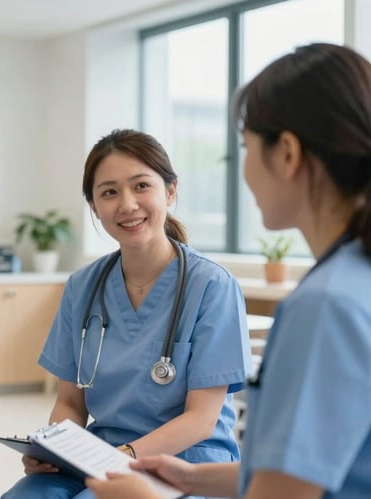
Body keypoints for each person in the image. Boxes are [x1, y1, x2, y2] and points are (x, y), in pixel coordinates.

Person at [85, 42, 371, 499]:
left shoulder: (324, 307)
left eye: (246, 147)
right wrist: (192, 478)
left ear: (288, 154)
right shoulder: (356, 279)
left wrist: (143, 498)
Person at [2, 129, 251, 499]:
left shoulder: (211, 286)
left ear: (170, 192)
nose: (127, 204)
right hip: (98, 454)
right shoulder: (82, 286)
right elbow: (70, 402)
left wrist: (127, 456)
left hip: (186, 461)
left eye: (141, 186)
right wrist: (55, 447)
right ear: (94, 207)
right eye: (109, 192)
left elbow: (202, 419)